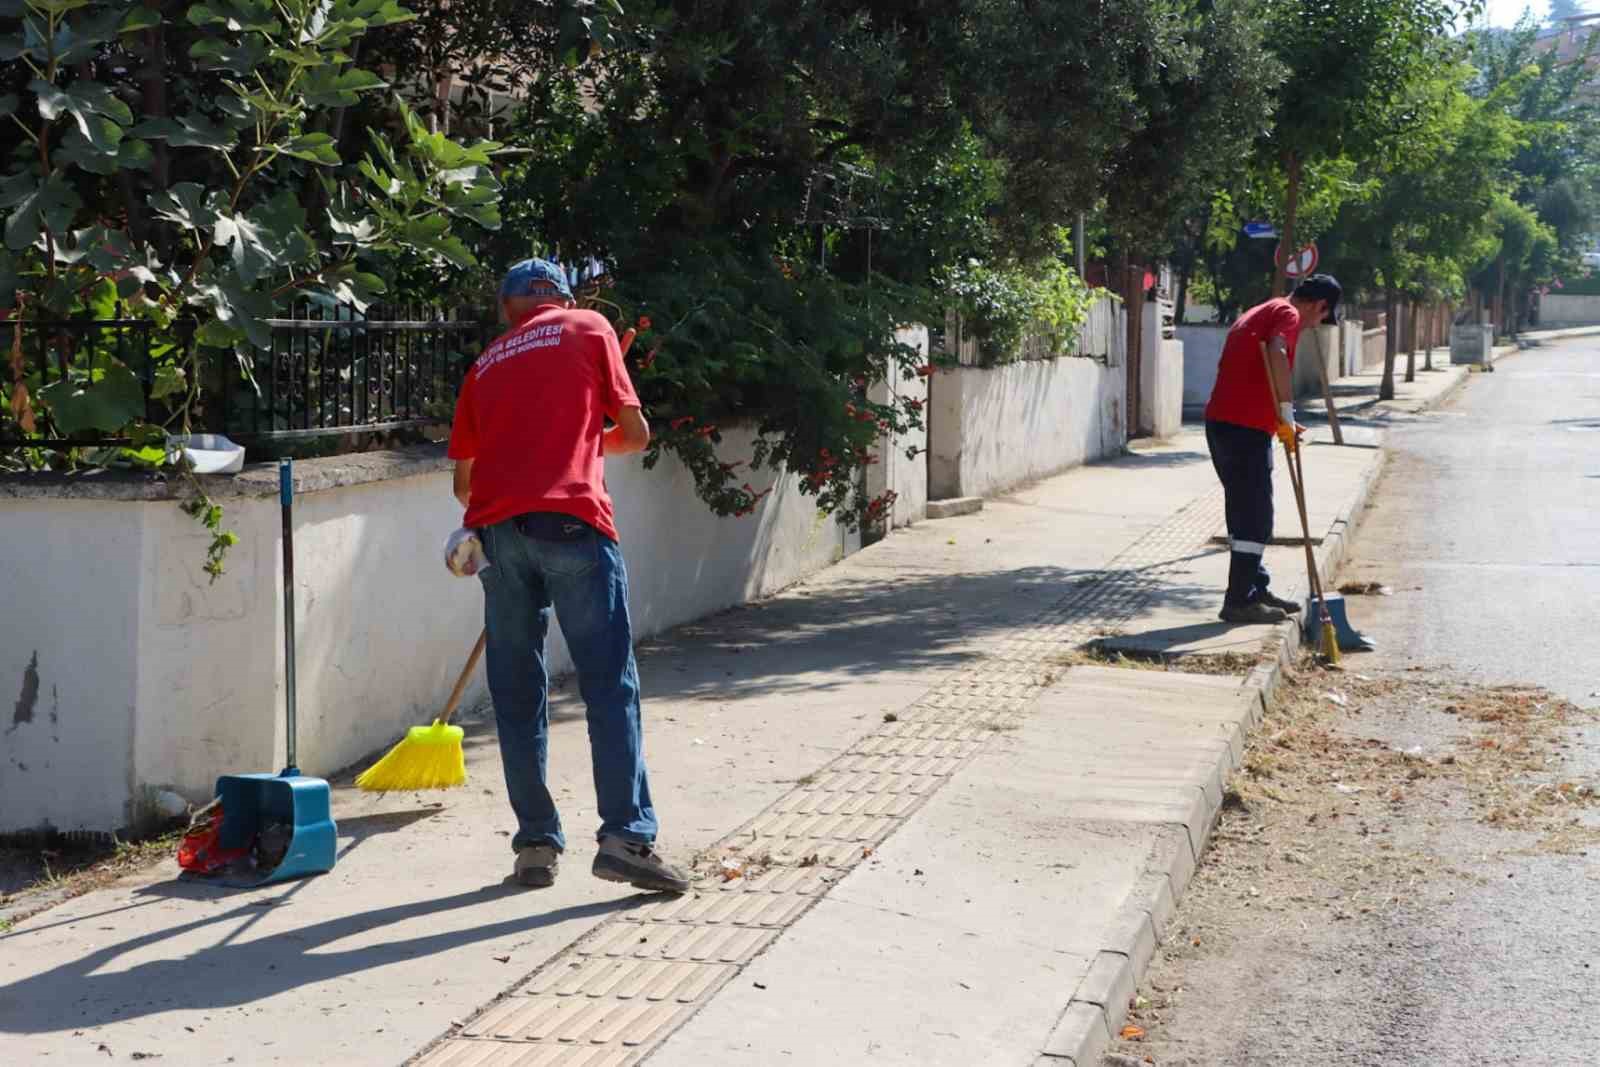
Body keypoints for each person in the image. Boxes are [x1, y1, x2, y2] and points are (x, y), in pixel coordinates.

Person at [447, 258, 689, 894]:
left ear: (507, 309)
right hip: (573, 525)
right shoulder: (590, 327)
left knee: (517, 693)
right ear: (561, 296)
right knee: (609, 683)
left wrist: (544, 443)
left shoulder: (485, 365)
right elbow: (635, 435)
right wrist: (586, 437)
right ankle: (626, 840)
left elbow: (462, 482)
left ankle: (534, 846)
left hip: (496, 537)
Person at [1204, 274, 1342, 624]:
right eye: (1322, 317)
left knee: (1245, 511)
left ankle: (1255, 588)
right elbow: (1277, 351)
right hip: (1243, 429)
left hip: (1225, 423)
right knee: (1255, 517)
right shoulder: (1289, 314)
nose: (1315, 324)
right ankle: (1238, 601)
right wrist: (1285, 411)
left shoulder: (1262, 309)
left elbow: (1253, 369)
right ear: (1319, 305)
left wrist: (1280, 419)